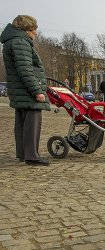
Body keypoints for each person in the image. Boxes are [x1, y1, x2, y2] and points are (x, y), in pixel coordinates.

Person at [1, 15, 51, 166]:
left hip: (20, 91)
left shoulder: (12, 41)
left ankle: (24, 153)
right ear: (27, 29)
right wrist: (37, 91)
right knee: (32, 124)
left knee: (22, 123)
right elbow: (25, 69)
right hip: (27, 92)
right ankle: (32, 156)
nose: (36, 32)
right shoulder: (20, 42)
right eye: (34, 29)